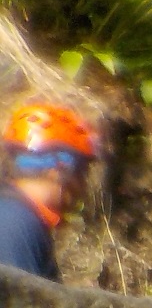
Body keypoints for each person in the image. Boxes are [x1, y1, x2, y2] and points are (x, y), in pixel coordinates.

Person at [0, 102, 100, 282]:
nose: (83, 187)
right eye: (82, 173)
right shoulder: (16, 223)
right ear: (58, 171)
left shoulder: (16, 214)